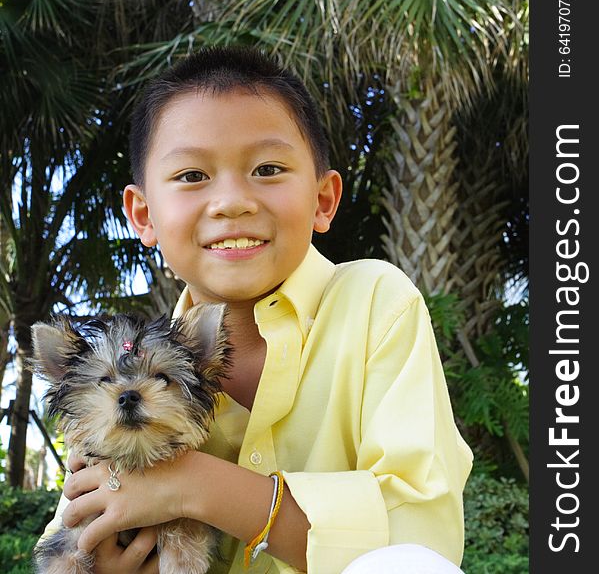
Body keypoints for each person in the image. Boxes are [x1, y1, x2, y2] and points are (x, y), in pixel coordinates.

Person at [42, 46, 473, 573]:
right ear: (143, 214)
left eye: (267, 168)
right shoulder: (112, 373)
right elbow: (72, 529)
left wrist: (192, 485)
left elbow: (419, 542)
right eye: (192, 176)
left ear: (323, 200)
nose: (231, 201)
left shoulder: (375, 303)